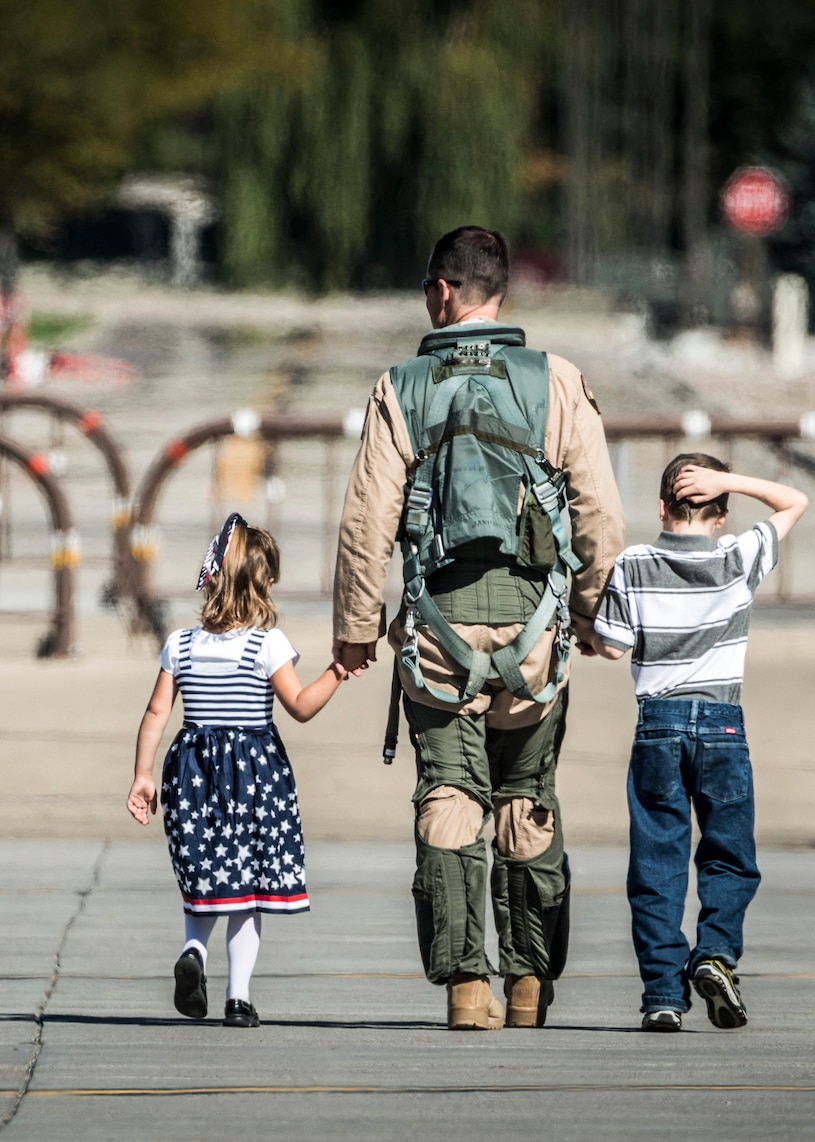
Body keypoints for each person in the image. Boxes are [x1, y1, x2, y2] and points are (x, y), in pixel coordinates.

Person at [332, 226, 625, 1031]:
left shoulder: (401, 386)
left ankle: (469, 990)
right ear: (500, 291)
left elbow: (367, 521)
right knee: (527, 798)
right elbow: (599, 507)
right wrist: (599, 614)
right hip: (535, 639)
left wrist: (357, 626)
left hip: (437, 635)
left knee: (451, 794)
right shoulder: (558, 380)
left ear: (441, 291)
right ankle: (530, 987)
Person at [592, 453, 808, 1032]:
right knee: (729, 857)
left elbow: (611, 647)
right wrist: (729, 481)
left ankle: (663, 994)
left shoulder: (634, 562)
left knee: (657, 864)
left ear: (662, 508)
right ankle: (715, 956)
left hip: (656, 724)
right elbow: (795, 501)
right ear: (722, 512)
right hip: (723, 725)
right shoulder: (738, 555)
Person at [126, 514, 345, 1029]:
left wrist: (142, 775)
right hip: (253, 781)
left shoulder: (180, 644)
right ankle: (238, 999)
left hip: (191, 775)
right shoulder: (266, 645)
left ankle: (194, 952)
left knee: (206, 879)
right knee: (247, 891)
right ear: (261, 583)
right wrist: (338, 671)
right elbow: (300, 706)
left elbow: (157, 712)